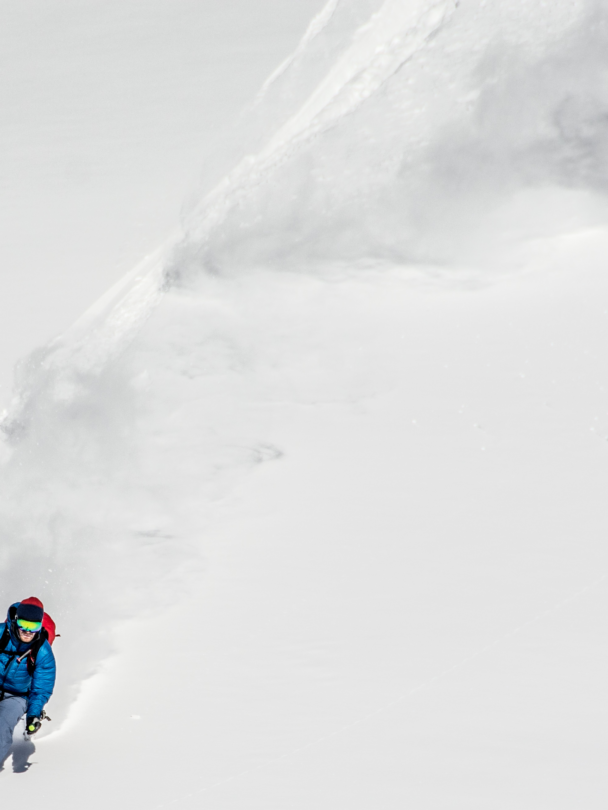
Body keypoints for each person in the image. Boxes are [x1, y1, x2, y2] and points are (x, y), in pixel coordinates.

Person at [0, 599, 56, 767]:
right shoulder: (1, 633)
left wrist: (33, 715)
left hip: (17, 696)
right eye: (24, 624)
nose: (27, 632)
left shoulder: (42, 651)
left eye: (34, 627)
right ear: (16, 621)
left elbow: (41, 689)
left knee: (2, 726)